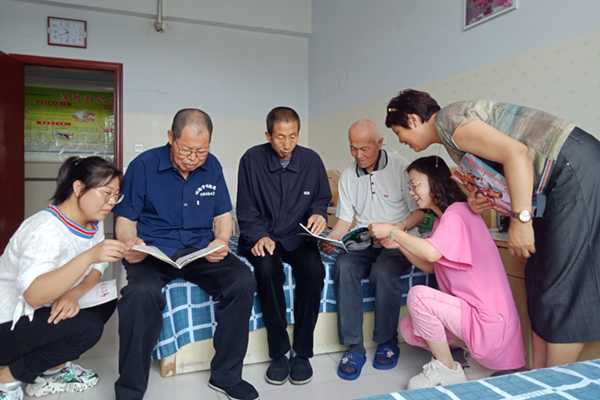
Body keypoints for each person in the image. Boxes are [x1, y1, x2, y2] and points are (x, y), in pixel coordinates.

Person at [385, 89, 600, 369]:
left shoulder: (450, 121)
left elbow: (517, 153)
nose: (401, 141)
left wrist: (521, 220)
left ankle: (554, 381)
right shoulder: (452, 142)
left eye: (399, 132)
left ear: (413, 120)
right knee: (538, 282)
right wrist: (482, 197)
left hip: (574, 169)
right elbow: (507, 171)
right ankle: (536, 375)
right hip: (553, 185)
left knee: (560, 290)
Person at [112, 109, 258, 400]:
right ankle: (130, 389)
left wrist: (221, 241)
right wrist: (129, 242)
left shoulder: (212, 166)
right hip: (154, 252)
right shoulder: (143, 165)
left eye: (201, 152)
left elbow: (223, 216)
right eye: (186, 150)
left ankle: (226, 375)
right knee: (139, 295)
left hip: (199, 250)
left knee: (243, 280)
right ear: (171, 137)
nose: (193, 158)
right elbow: (125, 219)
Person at [369, 156, 525, 389]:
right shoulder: (441, 222)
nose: (411, 192)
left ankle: (448, 369)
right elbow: (430, 266)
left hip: (489, 323)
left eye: (415, 184)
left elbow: (431, 253)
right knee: (409, 329)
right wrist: (399, 243)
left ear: (434, 181)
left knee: (418, 296)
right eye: (409, 186)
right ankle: (479, 359)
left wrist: (394, 232)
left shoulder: (457, 213)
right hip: (476, 319)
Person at [0, 156, 126, 400]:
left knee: (106, 300)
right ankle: (7, 378)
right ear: (79, 188)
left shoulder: (93, 220)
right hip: (8, 322)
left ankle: (52, 371)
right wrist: (89, 255)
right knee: (87, 328)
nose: (111, 202)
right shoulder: (45, 230)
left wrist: (73, 294)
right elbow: (33, 296)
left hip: (40, 310)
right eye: (106, 193)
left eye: (115, 196)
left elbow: (97, 267)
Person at [319, 119, 425, 380]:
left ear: (380, 143)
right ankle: (354, 346)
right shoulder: (347, 176)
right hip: (365, 240)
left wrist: (396, 230)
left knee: (383, 271)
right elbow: (344, 222)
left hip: (398, 240)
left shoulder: (401, 167)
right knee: (344, 265)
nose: (358, 155)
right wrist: (331, 239)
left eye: (364, 148)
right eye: (353, 148)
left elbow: (420, 213)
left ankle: (387, 341)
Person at [236, 106, 331, 386]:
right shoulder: (251, 160)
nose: (287, 144)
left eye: (293, 136)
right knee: (267, 270)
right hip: (263, 236)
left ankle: (302, 353)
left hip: (298, 237)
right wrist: (258, 235)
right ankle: (278, 353)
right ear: (268, 135)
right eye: (280, 137)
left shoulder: (312, 161)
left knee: (314, 270)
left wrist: (319, 214)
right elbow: (245, 209)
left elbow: (321, 199)